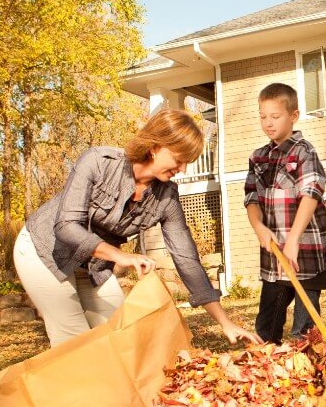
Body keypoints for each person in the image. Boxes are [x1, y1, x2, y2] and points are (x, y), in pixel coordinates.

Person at [13, 109, 262, 348]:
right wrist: (121, 256)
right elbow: (66, 227)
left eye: (188, 162)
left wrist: (225, 323)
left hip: (92, 265)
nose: (183, 168)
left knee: (123, 334)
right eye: (179, 159)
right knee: (76, 344)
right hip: (46, 252)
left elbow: (187, 260)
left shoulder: (166, 197)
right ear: (155, 148)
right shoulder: (98, 162)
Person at [245, 83, 326, 344]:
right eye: (263, 116)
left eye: (275, 116)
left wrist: (293, 240)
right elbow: (251, 198)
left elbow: (311, 194)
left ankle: (305, 376)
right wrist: (259, 227)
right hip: (275, 260)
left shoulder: (304, 151)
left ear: (293, 116)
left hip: (305, 254)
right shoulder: (258, 157)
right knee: (266, 330)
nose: (268, 123)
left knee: (303, 333)